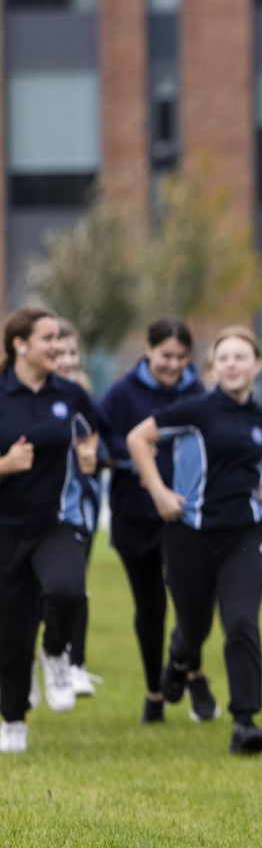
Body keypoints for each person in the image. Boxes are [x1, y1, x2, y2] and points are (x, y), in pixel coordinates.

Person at [127, 326, 262, 755]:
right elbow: (137, 438)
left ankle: (245, 722)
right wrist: (159, 492)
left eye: (241, 357)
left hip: (246, 533)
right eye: (224, 357)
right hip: (190, 535)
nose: (232, 364)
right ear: (214, 366)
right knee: (194, 629)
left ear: (257, 365)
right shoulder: (194, 409)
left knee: (241, 622)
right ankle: (179, 660)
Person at [0, 307, 101, 751]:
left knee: (67, 591)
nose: (58, 347)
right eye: (48, 338)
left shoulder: (70, 393)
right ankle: (12, 720)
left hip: (56, 522)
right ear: (20, 344)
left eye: (60, 338)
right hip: (5, 530)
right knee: (12, 634)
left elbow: (91, 432)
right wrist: (6, 465)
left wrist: (89, 453)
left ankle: (56, 651)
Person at [99, 317, 205, 723]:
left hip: (184, 516)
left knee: (190, 603)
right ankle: (154, 693)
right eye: (165, 355)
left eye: (181, 356)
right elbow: (102, 436)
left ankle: (187, 672)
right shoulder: (122, 392)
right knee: (150, 606)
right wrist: (134, 462)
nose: (173, 364)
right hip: (134, 515)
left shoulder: (198, 393)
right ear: (148, 350)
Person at [49, 319, 101, 698]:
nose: (67, 359)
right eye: (59, 352)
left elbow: (100, 436)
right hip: (23, 512)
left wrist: (94, 454)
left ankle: (73, 662)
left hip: (75, 507)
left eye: (72, 352)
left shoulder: (80, 396)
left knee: (73, 586)